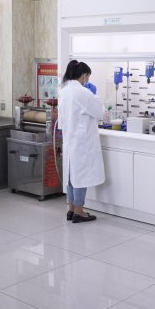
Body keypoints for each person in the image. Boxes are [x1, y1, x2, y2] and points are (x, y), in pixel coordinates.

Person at [58, 60, 104, 223]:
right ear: (84, 76)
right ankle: (79, 211)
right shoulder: (83, 93)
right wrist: (94, 95)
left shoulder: (64, 91)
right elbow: (99, 112)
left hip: (70, 140)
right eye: (88, 77)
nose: (88, 80)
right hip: (82, 142)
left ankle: (71, 209)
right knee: (81, 176)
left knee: (71, 176)